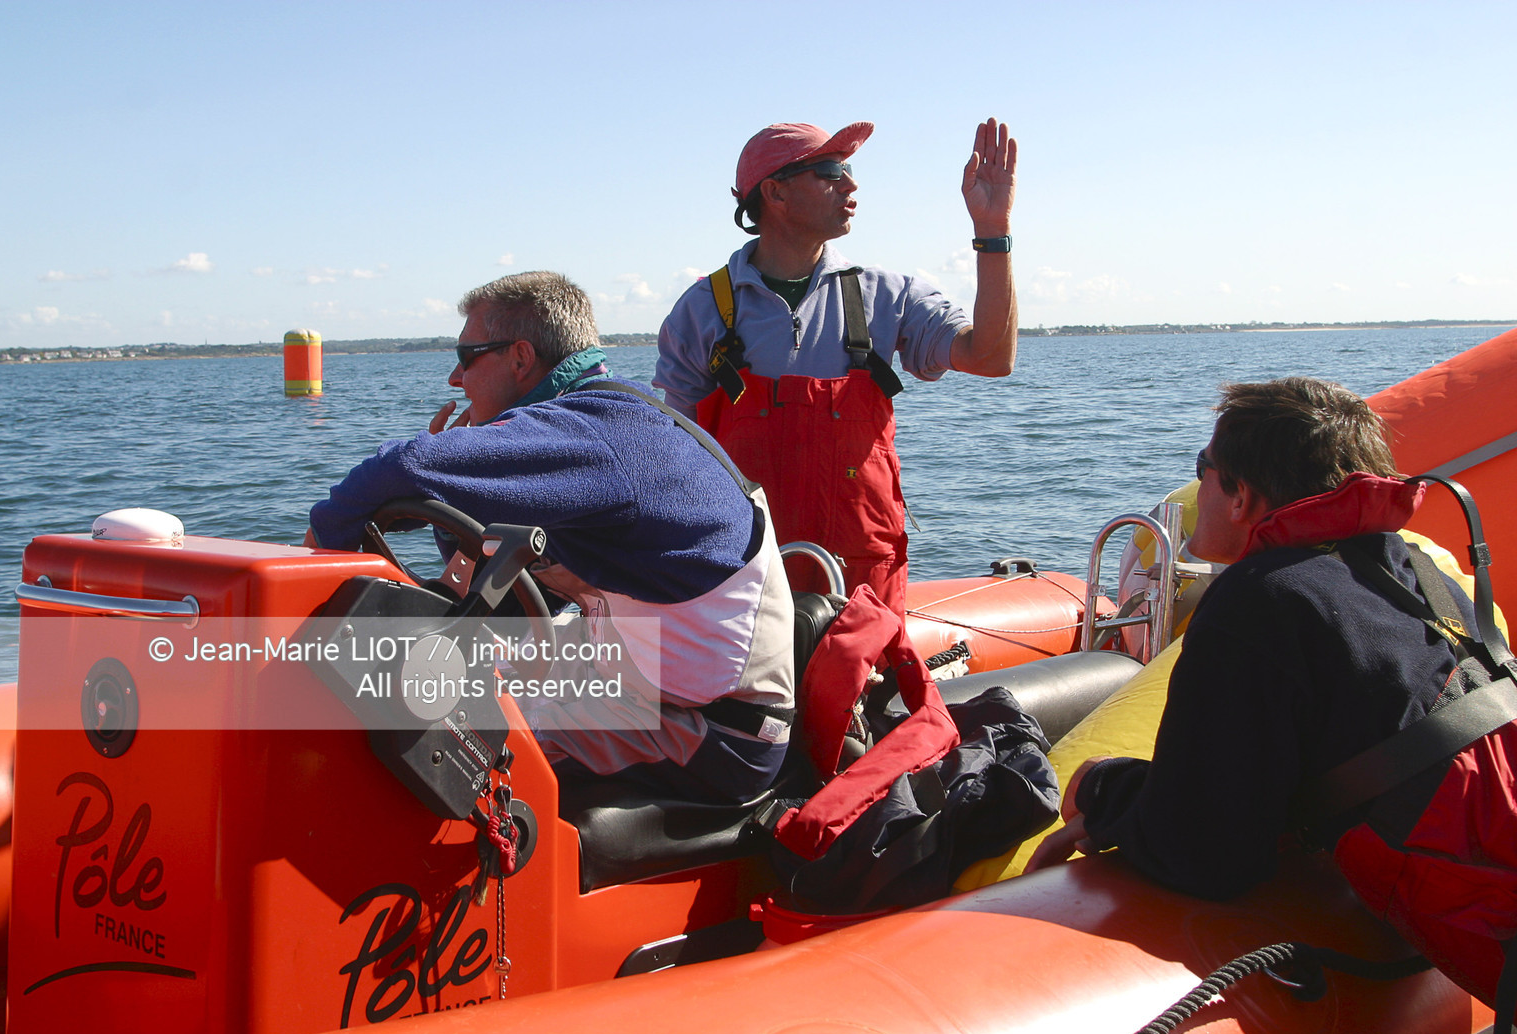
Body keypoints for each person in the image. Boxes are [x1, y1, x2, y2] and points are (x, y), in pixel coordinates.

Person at [306, 271, 796, 805]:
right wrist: (457, 490)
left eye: (466, 355)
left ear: (520, 357)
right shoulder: (601, 423)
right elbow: (497, 582)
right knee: (436, 683)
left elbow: (400, 466)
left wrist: (319, 549)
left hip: (715, 735)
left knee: (446, 742)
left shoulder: (599, 436)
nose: (453, 377)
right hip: (646, 676)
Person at [1026, 377, 1482, 898]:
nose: (1198, 485)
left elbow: (1203, 851)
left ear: (1240, 495)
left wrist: (1106, 793)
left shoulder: (1261, 598)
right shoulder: (1421, 572)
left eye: (1204, 468)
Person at [655, 118, 1020, 617]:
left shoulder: (890, 297)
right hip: (741, 586)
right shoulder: (700, 311)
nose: (851, 183)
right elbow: (670, 462)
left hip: (862, 589)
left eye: (848, 168)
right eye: (830, 170)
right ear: (775, 192)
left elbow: (991, 357)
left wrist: (992, 232)